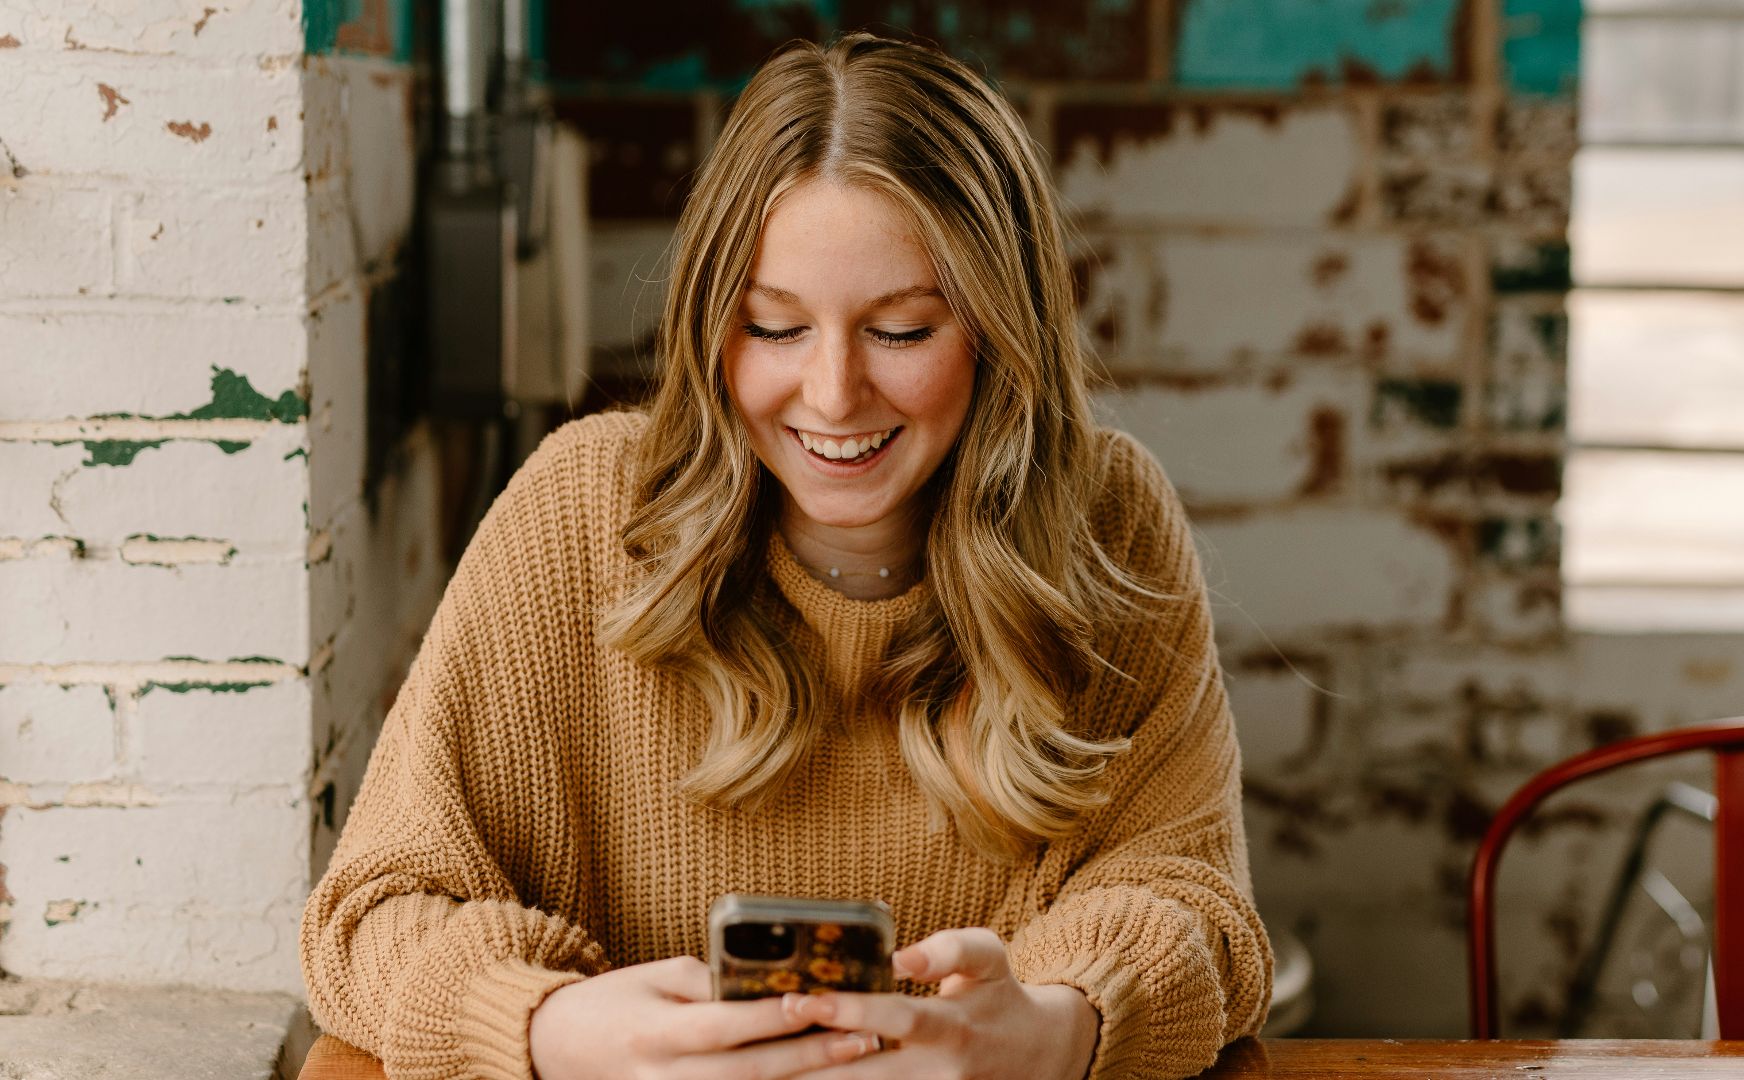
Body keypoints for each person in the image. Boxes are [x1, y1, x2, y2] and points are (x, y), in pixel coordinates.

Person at [300, 31, 1273, 1080]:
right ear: (712, 324)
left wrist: (1064, 1026)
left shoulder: (1109, 518)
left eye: (902, 331)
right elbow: (369, 915)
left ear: (1003, 332)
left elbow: (1201, 911)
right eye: (773, 328)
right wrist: (548, 1029)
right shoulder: (577, 511)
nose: (833, 394)